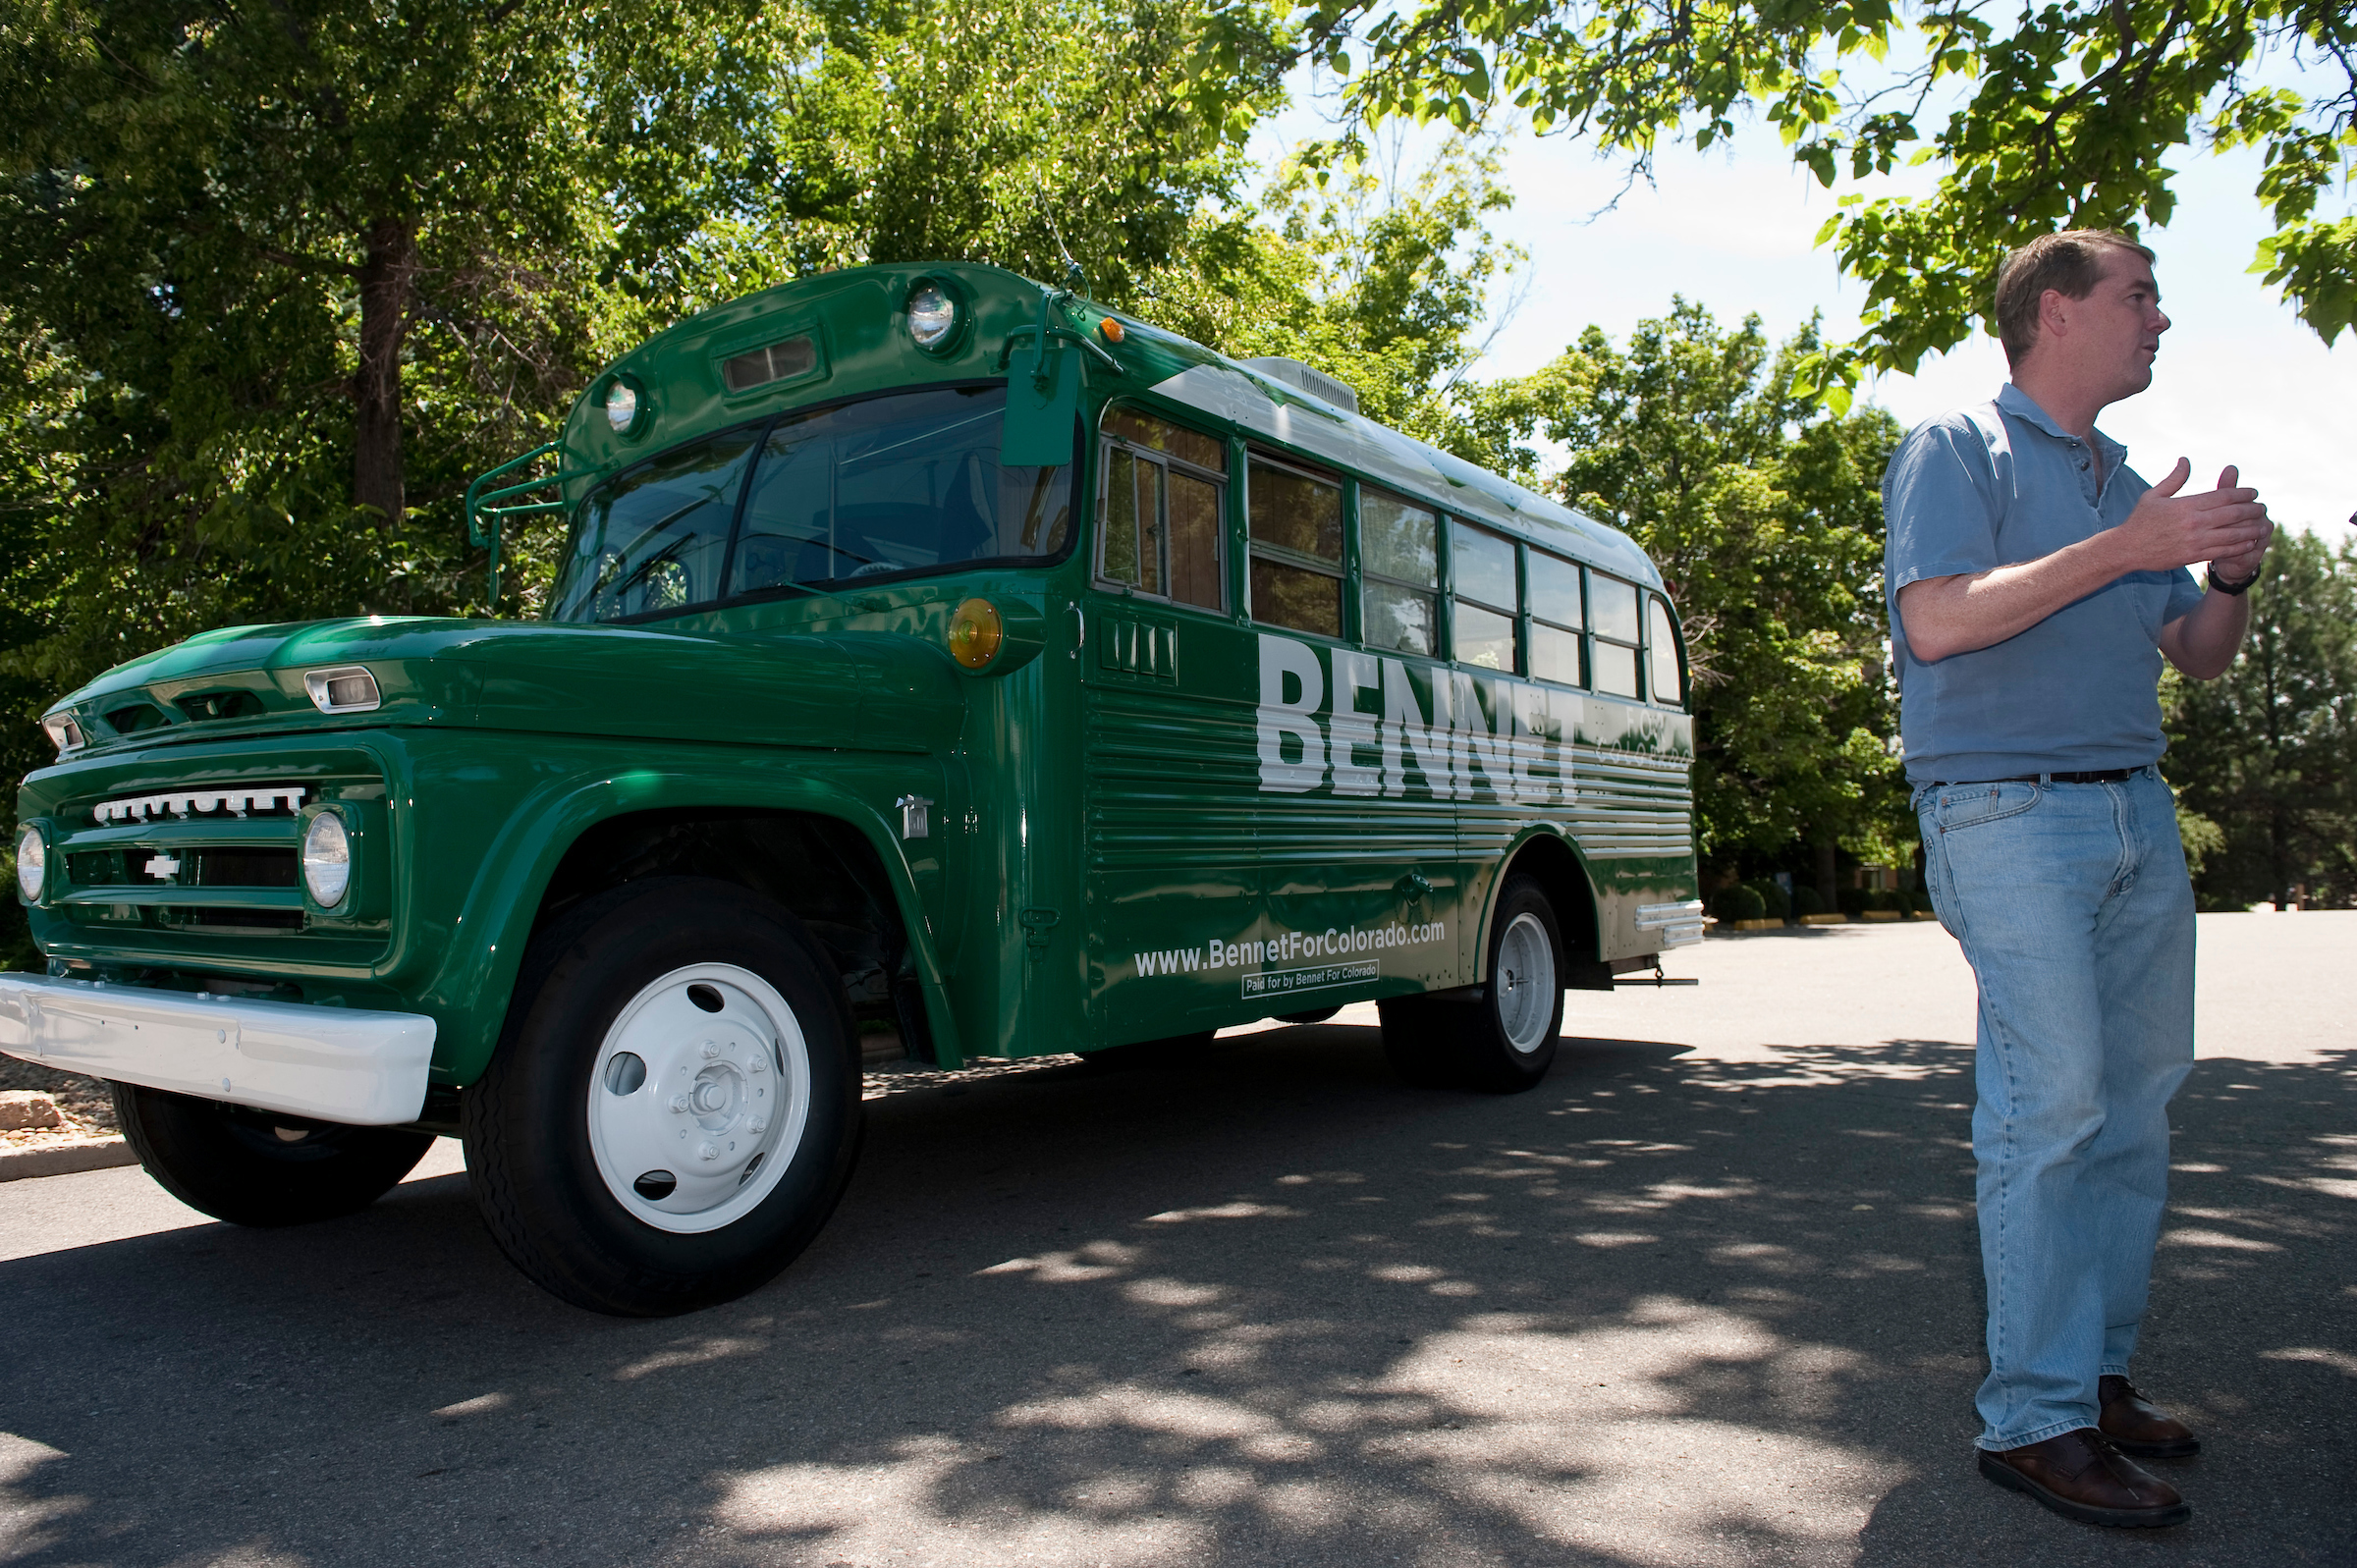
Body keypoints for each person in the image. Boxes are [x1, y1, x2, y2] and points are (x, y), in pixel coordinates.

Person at [1883, 229, 2273, 1529]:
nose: (2161, 319)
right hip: (2005, 814)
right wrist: (2125, 545)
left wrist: (2227, 574)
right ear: (2057, 313)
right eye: (2139, 296)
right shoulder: (1957, 448)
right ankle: (2033, 1420)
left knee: (2133, 1111)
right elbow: (1936, 618)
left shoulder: (2123, 480)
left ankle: (2095, 1376)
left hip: (2134, 812)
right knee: (2048, 1107)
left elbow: (2199, 656)